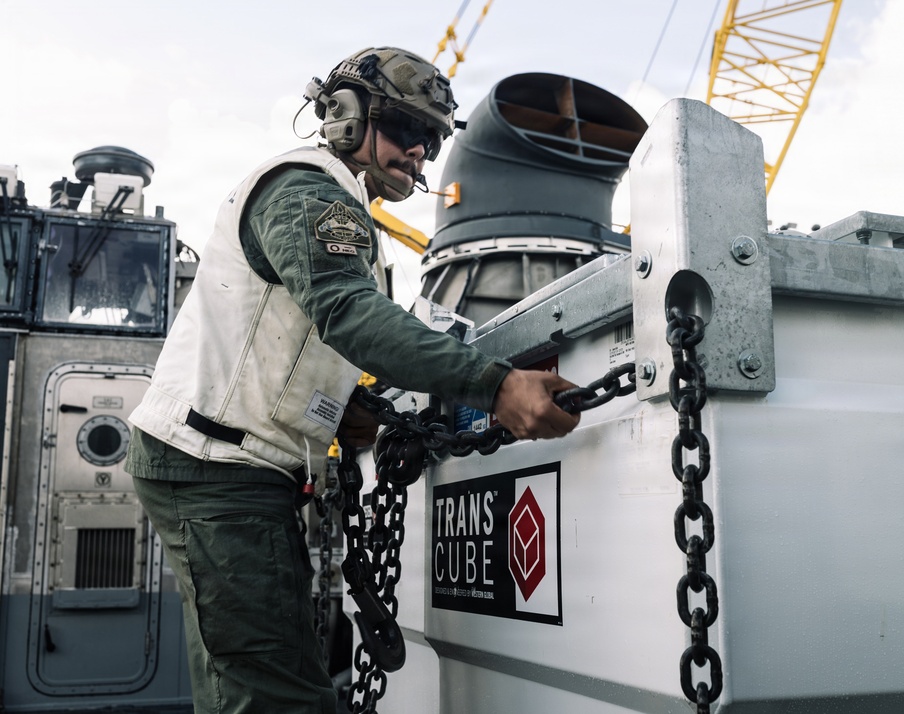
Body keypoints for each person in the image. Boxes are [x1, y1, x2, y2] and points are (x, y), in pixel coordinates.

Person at [124, 46, 580, 714]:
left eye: (430, 139)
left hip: (230, 468)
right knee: (275, 696)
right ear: (344, 117)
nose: (419, 152)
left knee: (255, 679)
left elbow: (301, 335)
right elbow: (346, 313)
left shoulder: (335, 207)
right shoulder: (311, 192)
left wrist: (351, 407)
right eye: (404, 129)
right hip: (218, 471)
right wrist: (496, 385)